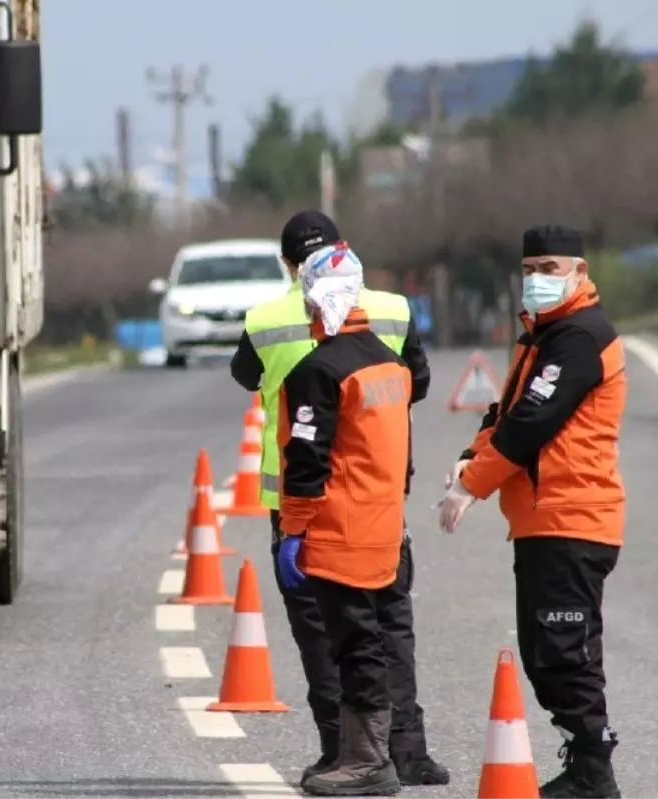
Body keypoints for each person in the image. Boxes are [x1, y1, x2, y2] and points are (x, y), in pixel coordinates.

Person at [230, 211, 449, 787]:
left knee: (330, 630)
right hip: (382, 493)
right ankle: (408, 750)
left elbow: (245, 377)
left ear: (289, 267)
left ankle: (345, 752)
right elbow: (416, 385)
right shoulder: (395, 312)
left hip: (306, 502)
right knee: (390, 622)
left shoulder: (267, 319)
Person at [438, 224, 625, 799]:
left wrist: (471, 486)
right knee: (544, 655)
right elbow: (505, 413)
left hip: (572, 517)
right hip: (543, 522)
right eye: (529, 270)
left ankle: (595, 774)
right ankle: (585, 765)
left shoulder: (580, 336)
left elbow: (533, 423)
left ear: (580, 273)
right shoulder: (540, 337)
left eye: (550, 268)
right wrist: (470, 457)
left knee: (564, 654)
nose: (538, 280)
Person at [276, 242, 411, 796]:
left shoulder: (319, 370)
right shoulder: (389, 361)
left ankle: (367, 760)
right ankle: (368, 753)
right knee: (375, 638)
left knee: (353, 644)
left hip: (339, 531)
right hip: (383, 527)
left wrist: (293, 531)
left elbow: (307, 458)